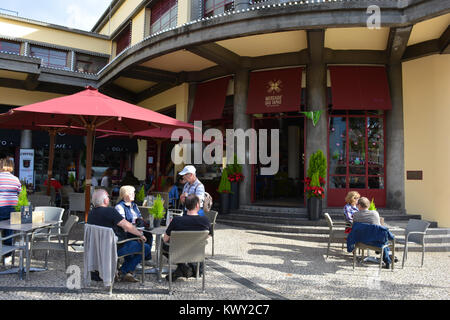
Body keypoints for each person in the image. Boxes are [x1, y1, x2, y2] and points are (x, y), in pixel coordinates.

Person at [87, 189, 151, 282]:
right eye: (108, 197)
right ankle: (123, 271)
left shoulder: (91, 213)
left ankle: (125, 270)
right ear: (105, 200)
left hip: (98, 249)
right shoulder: (110, 211)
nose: (109, 199)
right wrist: (140, 235)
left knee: (132, 243)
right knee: (146, 247)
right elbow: (127, 226)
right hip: (114, 248)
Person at [162, 194, 212, 281]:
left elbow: (165, 239)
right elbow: (209, 235)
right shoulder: (205, 221)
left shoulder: (176, 220)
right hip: (195, 251)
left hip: (178, 251)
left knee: (163, 245)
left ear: (185, 205)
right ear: (197, 205)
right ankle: (186, 268)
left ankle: (182, 267)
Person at [114, 185, 153, 256]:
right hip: (126, 232)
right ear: (125, 195)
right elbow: (124, 224)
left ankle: (145, 257)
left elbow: (140, 218)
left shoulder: (134, 205)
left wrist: (140, 227)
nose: (134, 195)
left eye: (134, 193)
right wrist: (137, 231)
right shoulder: (119, 207)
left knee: (149, 235)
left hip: (137, 229)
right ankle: (137, 257)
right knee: (140, 237)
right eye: (131, 193)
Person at [0, 155, 21, 248]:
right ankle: (7, 253)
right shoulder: (16, 179)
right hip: (12, 208)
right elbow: (19, 194)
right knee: (9, 229)